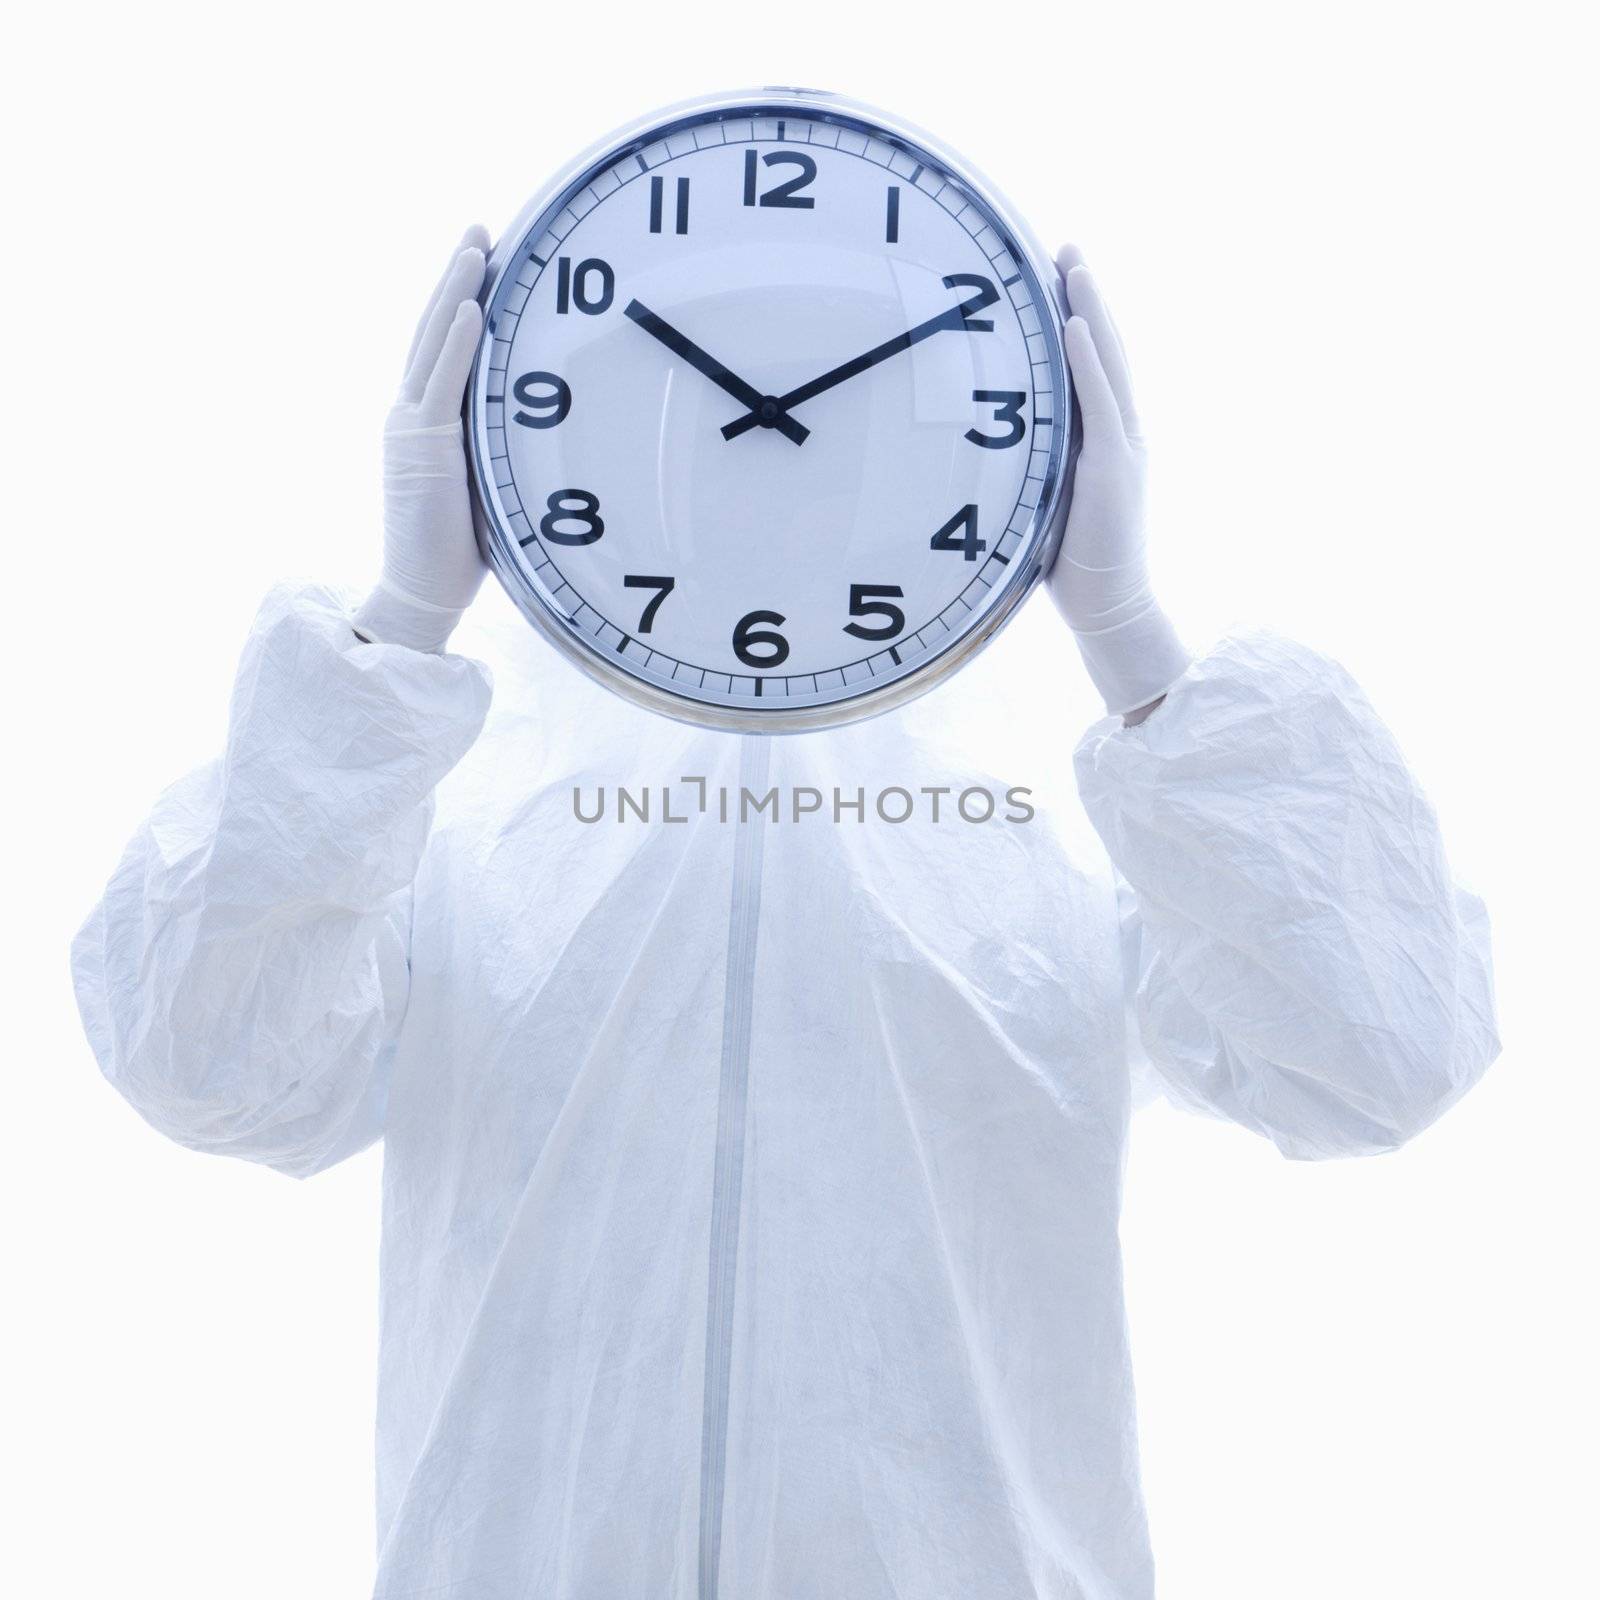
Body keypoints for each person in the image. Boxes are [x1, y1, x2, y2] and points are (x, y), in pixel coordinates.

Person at [71, 227, 1499, 1600]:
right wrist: (396, 630)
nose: (769, 431)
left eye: (849, 382)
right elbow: (208, 1067)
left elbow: (1378, 1062)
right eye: (695, 384)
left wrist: (1136, 649)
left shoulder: (1057, 781)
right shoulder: (462, 766)